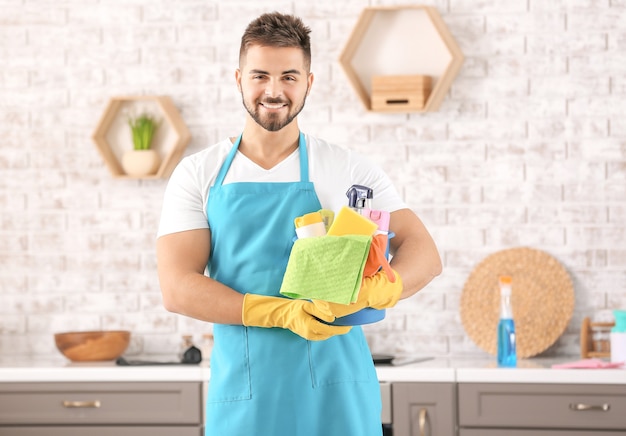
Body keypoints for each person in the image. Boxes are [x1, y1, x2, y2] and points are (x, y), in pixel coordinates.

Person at [156, 11, 442, 436]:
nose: (274, 91)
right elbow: (177, 287)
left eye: (289, 76)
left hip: (338, 390)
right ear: (238, 79)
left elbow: (424, 251)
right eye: (260, 76)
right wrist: (280, 312)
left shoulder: (347, 169)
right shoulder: (200, 173)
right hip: (246, 391)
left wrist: (389, 286)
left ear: (309, 83)